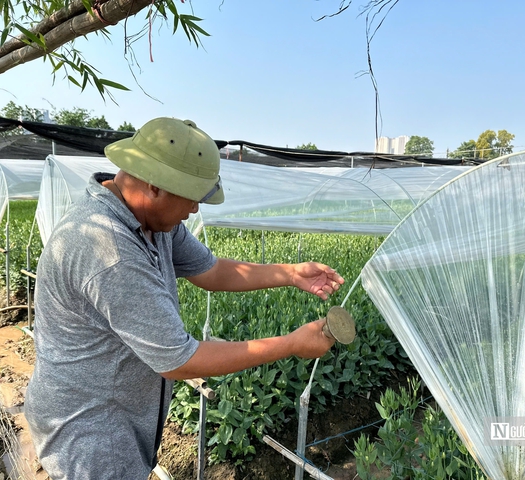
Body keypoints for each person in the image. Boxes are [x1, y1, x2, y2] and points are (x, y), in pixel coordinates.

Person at [24, 117, 345, 479]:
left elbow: (211, 271)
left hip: (118, 415)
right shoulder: (109, 250)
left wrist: (289, 273)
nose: (194, 210)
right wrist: (290, 344)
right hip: (93, 433)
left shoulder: (152, 222)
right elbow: (179, 360)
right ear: (154, 186)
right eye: (191, 198)